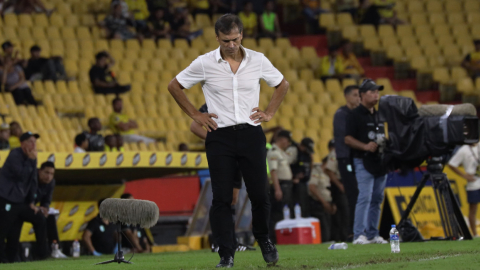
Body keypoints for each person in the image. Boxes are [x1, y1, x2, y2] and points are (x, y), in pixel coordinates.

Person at [168, 14, 289, 268]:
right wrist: (195, 114)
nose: (231, 45)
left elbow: (282, 84)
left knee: (259, 193)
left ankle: (264, 240)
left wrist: (269, 113)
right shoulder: (204, 63)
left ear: (241, 35)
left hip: (251, 133)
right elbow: (174, 86)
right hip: (219, 136)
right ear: (217, 38)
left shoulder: (258, 59)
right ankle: (226, 253)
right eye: (226, 41)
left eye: (235, 39)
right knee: (222, 198)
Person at [345, 79, 388, 245]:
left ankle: (372, 234)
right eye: (372, 91)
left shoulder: (379, 115)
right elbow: (347, 139)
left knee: (377, 198)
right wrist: (365, 146)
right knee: (365, 197)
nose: (376, 94)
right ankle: (359, 234)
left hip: (380, 161)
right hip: (363, 160)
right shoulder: (354, 115)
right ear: (362, 95)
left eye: (377, 91)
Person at [0, 132, 48, 263]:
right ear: (22, 143)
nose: (34, 145)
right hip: (7, 199)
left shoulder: (32, 157)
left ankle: (43, 255)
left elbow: (33, 180)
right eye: (30, 142)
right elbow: (20, 174)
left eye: (35, 142)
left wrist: (32, 201)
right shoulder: (14, 155)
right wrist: (31, 160)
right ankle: (5, 260)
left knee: (39, 218)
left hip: (21, 202)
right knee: (4, 231)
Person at [8, 162, 67, 259]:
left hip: (32, 208)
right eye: (46, 173)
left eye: (51, 174)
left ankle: (54, 249)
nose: (49, 176)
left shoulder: (51, 183)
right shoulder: (31, 178)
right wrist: (31, 205)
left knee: (49, 217)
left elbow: (47, 199)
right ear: (39, 171)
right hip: (17, 206)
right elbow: (21, 195)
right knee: (39, 219)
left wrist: (45, 208)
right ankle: (41, 254)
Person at [333, 85, 359, 240]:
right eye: (355, 95)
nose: (358, 98)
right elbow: (346, 138)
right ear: (347, 96)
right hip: (346, 158)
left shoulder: (355, 113)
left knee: (359, 195)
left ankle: (359, 229)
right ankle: (352, 231)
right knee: (353, 195)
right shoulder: (341, 114)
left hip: (355, 157)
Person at [448, 143, 480, 237]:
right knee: (473, 209)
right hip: (473, 182)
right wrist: (464, 175)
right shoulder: (464, 149)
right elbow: (452, 164)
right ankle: (475, 234)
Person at [268, 130, 294, 242]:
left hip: (286, 185)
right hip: (281, 185)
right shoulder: (273, 152)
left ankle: (282, 238)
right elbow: (273, 171)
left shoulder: (281, 152)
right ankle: (274, 239)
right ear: (282, 139)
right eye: (287, 141)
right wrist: (277, 189)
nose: (288, 144)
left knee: (284, 212)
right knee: (277, 214)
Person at [324, 139, 350, 242]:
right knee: (344, 212)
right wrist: (339, 185)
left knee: (347, 212)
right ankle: (343, 237)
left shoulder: (346, 151)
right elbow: (329, 170)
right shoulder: (334, 153)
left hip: (347, 183)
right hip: (340, 185)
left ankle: (345, 235)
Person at [308, 157, 337, 243]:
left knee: (329, 225)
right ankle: (323, 241)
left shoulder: (327, 173)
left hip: (328, 202)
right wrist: (323, 202)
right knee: (323, 227)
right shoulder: (317, 171)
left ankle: (328, 241)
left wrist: (332, 203)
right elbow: (312, 187)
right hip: (318, 203)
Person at [287, 137, 314, 217]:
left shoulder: (307, 154)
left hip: (303, 183)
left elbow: (308, 168)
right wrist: (293, 177)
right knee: (296, 207)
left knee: (304, 207)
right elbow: (285, 164)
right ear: (301, 146)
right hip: (295, 185)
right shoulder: (293, 150)